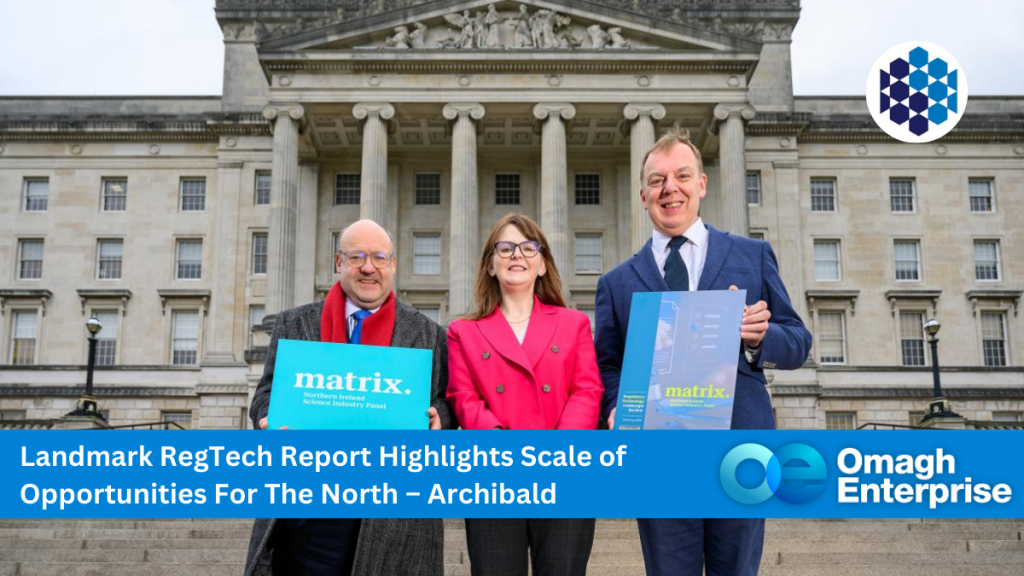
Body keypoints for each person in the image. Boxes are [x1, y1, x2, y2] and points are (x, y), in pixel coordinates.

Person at [594, 127, 812, 576]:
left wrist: (759, 337)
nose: (669, 189)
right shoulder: (616, 283)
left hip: (739, 446)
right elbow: (608, 365)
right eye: (657, 181)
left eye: (681, 176)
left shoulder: (751, 255)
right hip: (659, 453)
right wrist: (616, 405)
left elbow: (797, 341)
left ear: (702, 185)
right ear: (643, 194)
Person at [244, 219, 455, 576]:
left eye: (379, 257)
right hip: (308, 514)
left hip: (390, 518)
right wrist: (268, 418)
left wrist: (440, 418)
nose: (368, 267)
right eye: (356, 257)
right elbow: (265, 393)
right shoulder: (294, 324)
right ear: (339, 263)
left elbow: (445, 402)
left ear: (393, 265)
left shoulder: (428, 334)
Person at [446, 213, 603, 576]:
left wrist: (560, 450)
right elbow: (462, 396)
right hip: (494, 474)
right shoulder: (462, 332)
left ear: (543, 264)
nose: (517, 254)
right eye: (505, 247)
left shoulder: (573, 322)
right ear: (490, 265)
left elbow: (587, 390)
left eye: (528, 247)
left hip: (565, 472)